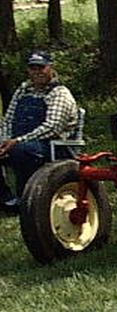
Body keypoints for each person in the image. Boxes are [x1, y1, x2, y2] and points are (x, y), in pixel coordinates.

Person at [0, 50, 80, 211]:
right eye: (33, 68)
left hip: (54, 147)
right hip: (19, 143)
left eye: (41, 67)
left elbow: (52, 127)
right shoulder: (23, 91)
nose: (37, 72)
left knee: (21, 151)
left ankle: (29, 200)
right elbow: (8, 120)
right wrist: (4, 142)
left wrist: (16, 141)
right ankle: (7, 200)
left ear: (50, 68)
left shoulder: (59, 93)